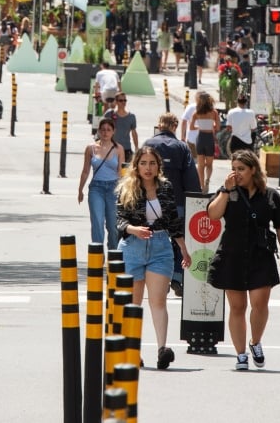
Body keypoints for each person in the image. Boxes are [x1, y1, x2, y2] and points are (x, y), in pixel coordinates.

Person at [206, 150, 280, 370]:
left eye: (241, 169)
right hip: (232, 254)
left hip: (260, 254)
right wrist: (226, 190)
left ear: (253, 170)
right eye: (233, 169)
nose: (236, 173)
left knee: (260, 304)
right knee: (237, 307)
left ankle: (255, 342)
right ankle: (241, 354)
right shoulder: (227, 192)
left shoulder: (270, 195)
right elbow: (213, 214)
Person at [115, 146, 191, 370]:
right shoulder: (127, 188)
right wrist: (133, 229)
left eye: (152, 163)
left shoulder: (165, 188)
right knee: (134, 304)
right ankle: (133, 352)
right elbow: (119, 220)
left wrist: (184, 250)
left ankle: (162, 350)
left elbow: (173, 222)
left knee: (158, 302)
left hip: (160, 247)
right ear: (136, 166)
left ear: (158, 166)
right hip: (132, 246)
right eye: (143, 163)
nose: (148, 168)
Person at [143, 113, 201, 297]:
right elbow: (191, 178)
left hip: (152, 201)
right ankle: (176, 277)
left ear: (159, 125)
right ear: (175, 126)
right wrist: (196, 200)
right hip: (177, 203)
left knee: (154, 239)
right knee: (178, 241)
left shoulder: (148, 145)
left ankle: (160, 278)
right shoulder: (182, 148)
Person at [78, 118, 125, 249]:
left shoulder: (118, 149)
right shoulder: (90, 148)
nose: (105, 133)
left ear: (113, 131)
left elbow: (121, 173)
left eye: (108, 130)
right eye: (103, 130)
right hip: (96, 188)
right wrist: (80, 190)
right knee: (97, 222)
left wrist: (124, 192)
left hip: (113, 188)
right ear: (98, 131)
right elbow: (85, 171)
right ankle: (97, 255)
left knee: (113, 225)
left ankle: (113, 254)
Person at [190, 91, 220, 190]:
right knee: (209, 164)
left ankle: (202, 186)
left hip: (200, 138)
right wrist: (211, 126)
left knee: (201, 165)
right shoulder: (214, 112)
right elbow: (218, 127)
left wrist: (200, 126)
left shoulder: (196, 113)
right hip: (209, 138)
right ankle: (208, 180)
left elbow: (191, 127)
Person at [104, 92, 138, 163]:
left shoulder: (131, 116)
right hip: (111, 149)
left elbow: (134, 132)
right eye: (121, 100)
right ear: (116, 102)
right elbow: (102, 129)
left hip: (126, 150)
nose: (123, 102)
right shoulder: (109, 114)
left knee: (125, 172)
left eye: (125, 100)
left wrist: (136, 147)